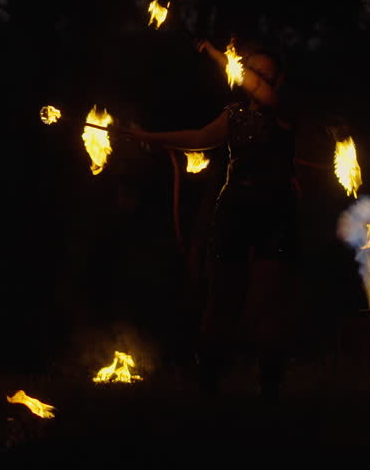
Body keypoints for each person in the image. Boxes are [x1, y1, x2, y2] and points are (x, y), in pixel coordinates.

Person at [124, 41, 301, 408]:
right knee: (220, 301)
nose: (252, 77)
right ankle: (207, 390)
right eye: (250, 69)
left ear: (277, 80)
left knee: (269, 303)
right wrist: (148, 138)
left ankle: (269, 395)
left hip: (275, 212)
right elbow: (199, 139)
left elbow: (256, 89)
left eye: (262, 73)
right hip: (234, 209)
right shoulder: (234, 114)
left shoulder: (283, 110)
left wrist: (217, 54)